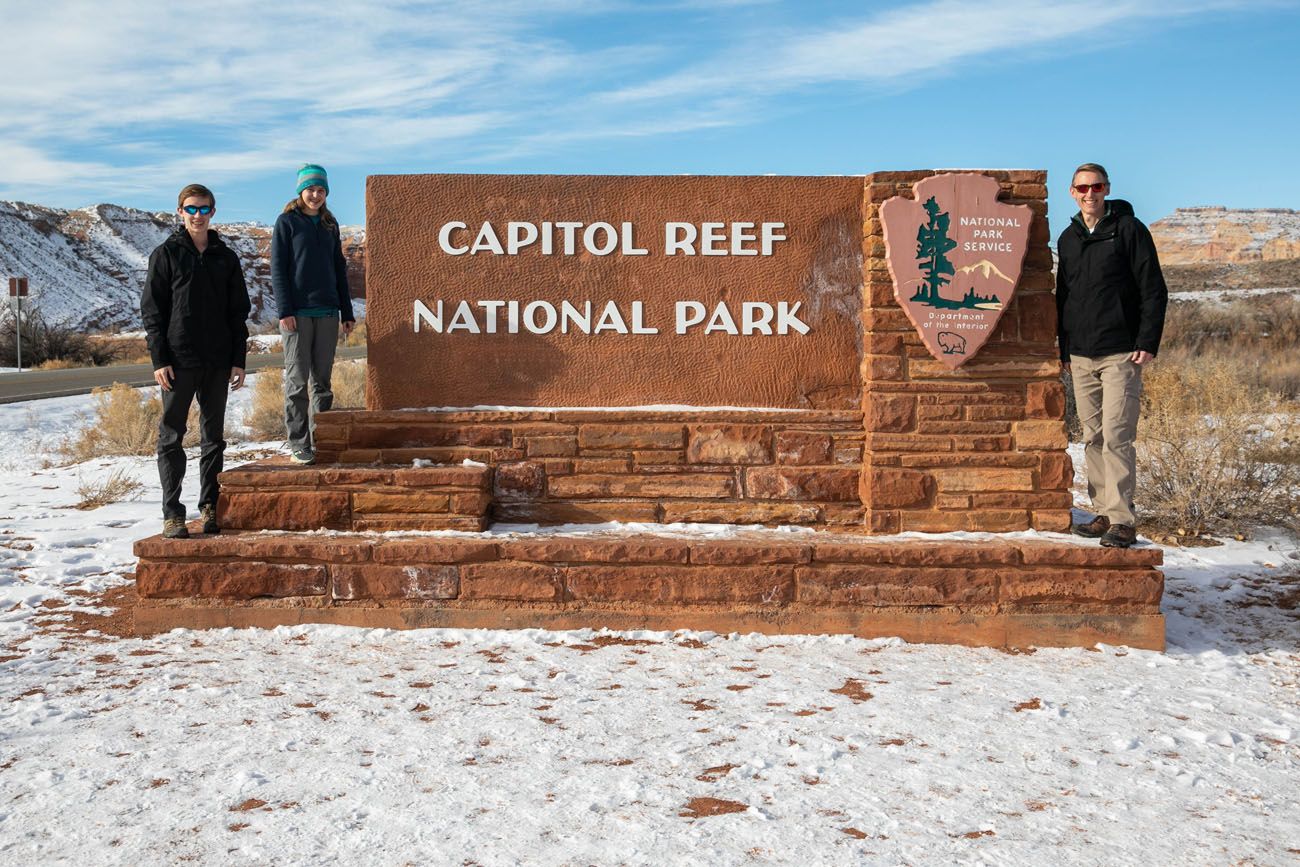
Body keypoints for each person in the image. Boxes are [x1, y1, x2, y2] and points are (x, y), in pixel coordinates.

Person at [1055, 163, 1168, 548]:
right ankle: (1103, 511)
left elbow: (1153, 288)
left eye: (1096, 186)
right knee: (1092, 435)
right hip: (1082, 354)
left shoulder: (1129, 230)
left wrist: (1147, 340)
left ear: (1107, 189)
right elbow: (1064, 296)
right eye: (1082, 188)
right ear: (1072, 192)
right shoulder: (1068, 238)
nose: (1090, 194)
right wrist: (1064, 346)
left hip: (1122, 351)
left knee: (1118, 434)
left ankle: (1122, 519)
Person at [141, 183, 251, 539]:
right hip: (178, 361)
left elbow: (238, 313)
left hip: (218, 361)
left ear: (213, 212)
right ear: (180, 212)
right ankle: (172, 514)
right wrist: (160, 359)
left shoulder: (226, 258)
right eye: (191, 209)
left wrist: (238, 359)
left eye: (204, 209)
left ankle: (210, 507)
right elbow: (152, 311)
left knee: (213, 438)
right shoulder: (166, 254)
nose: (198, 215)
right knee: (171, 437)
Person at [271, 164, 356, 465]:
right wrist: (285, 310)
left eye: (321, 190)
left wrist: (346, 312)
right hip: (297, 314)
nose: (316, 195)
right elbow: (278, 269)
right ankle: (298, 442)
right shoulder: (287, 223)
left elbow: (339, 271)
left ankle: (322, 438)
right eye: (311, 190)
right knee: (296, 381)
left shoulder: (329, 225)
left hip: (328, 312)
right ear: (300, 191)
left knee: (322, 382)